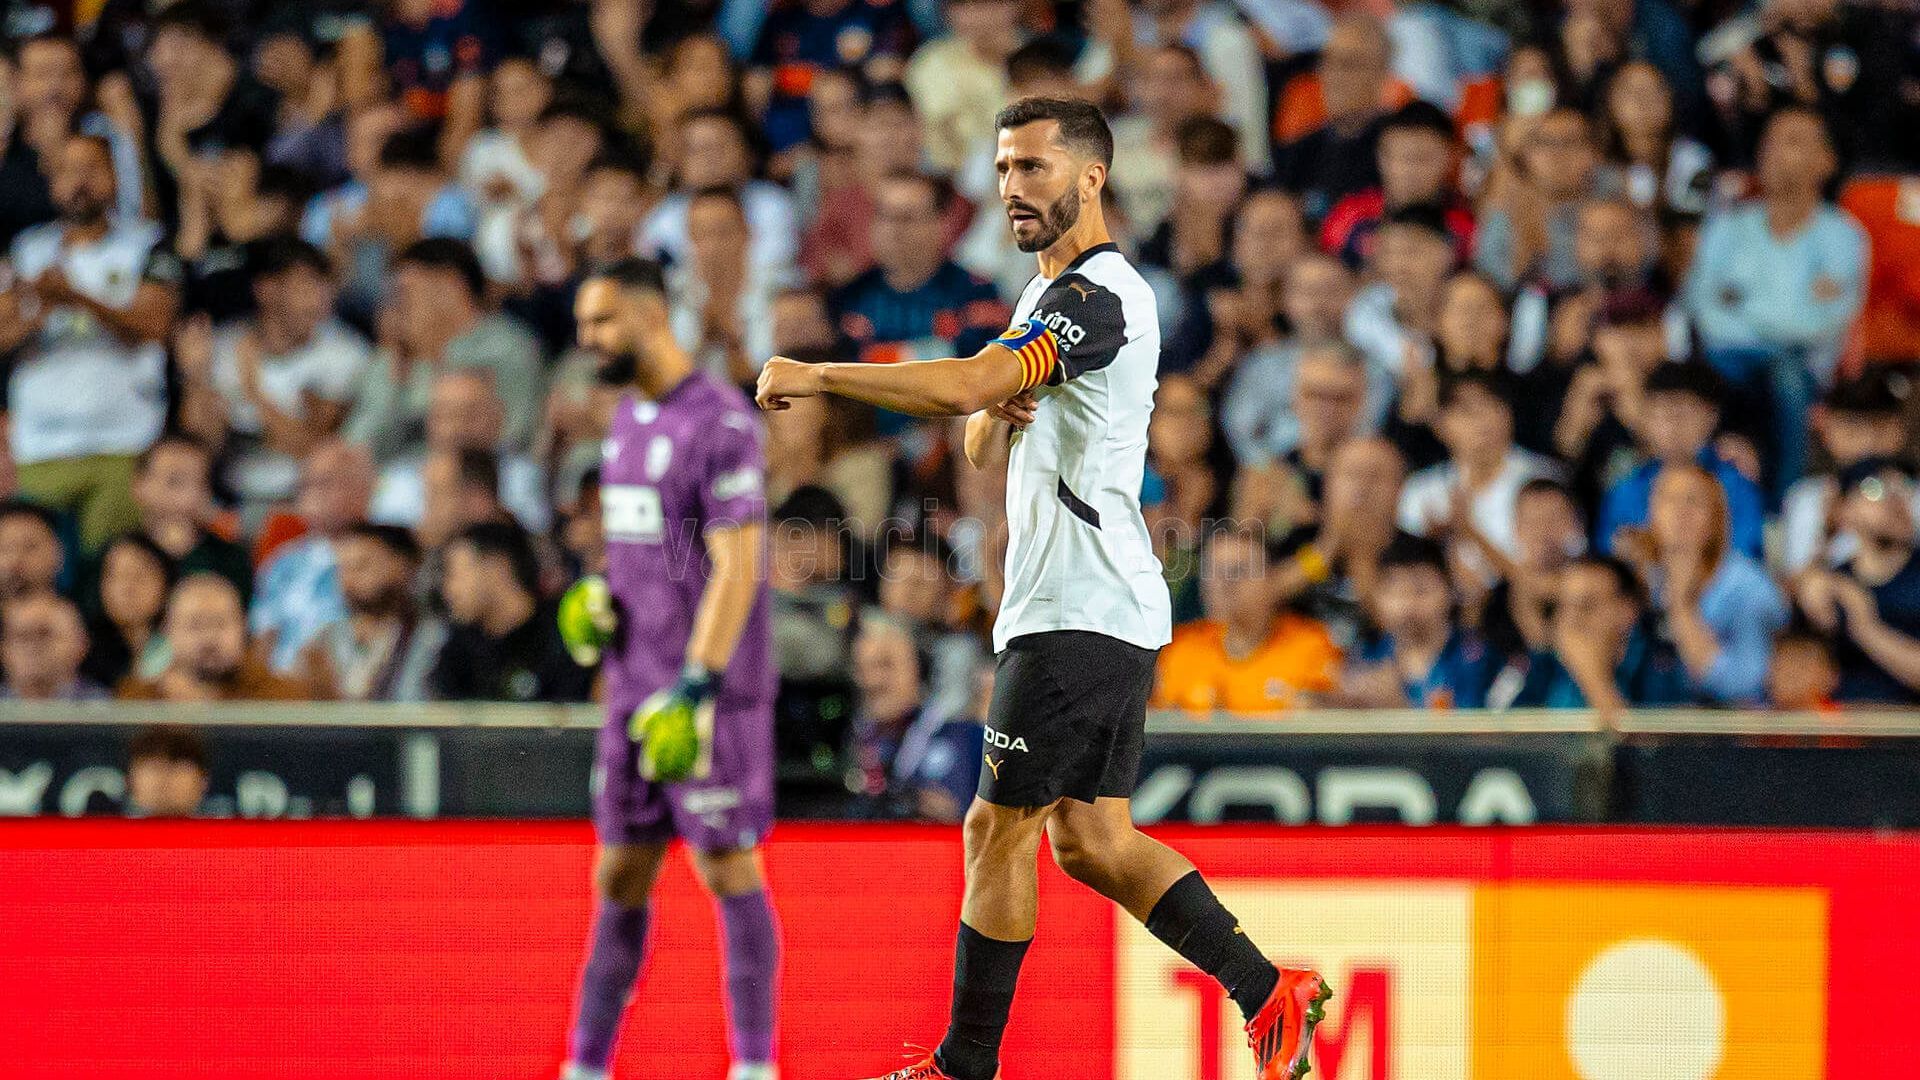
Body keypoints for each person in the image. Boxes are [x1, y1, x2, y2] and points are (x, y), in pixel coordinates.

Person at [753, 96, 1328, 1080]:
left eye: (1033, 168)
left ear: (1090, 178)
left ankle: (962, 1068)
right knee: (1093, 840)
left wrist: (824, 373)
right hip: (1092, 604)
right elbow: (984, 425)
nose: (1013, 188)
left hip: (1078, 605)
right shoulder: (1044, 298)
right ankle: (1268, 991)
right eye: (1005, 168)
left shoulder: (1099, 295)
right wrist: (994, 403)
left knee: (993, 826)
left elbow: (970, 393)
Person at [556, 257, 781, 1080]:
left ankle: (755, 1067)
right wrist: (603, 600)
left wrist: (698, 685)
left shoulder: (720, 422)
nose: (588, 340)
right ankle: (587, 1066)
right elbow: (645, 546)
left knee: (727, 864)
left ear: (652, 315)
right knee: (618, 869)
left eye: (602, 322)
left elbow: (739, 565)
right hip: (630, 687)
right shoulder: (626, 419)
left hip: (703, 693)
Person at [0, 132, 181, 550]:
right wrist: (40, 312)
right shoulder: (27, 248)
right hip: (40, 446)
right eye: (67, 171)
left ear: (116, 177)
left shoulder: (146, 242)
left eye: (91, 169)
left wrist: (75, 297)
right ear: (51, 181)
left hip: (123, 443)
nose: (79, 181)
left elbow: (155, 325)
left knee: (113, 575)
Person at [1686, 106, 1867, 493]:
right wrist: (1783, 309)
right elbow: (1705, 310)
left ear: (1827, 161)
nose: (1776, 152)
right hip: (1728, 361)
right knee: (1696, 382)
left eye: (1795, 142)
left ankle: (1784, 508)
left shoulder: (1842, 236)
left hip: (1806, 372)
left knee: (1785, 376)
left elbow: (1820, 322)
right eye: (1770, 141)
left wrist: (1742, 302)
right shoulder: (1728, 228)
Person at [343, 238, 545, 464]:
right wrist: (396, 379)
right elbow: (355, 450)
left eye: (405, 292)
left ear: (450, 287)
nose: (395, 307)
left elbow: (512, 437)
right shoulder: (390, 360)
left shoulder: (506, 349)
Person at [1620, 464, 1788, 705]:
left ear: (1716, 518)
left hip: (1726, 729)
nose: (1681, 511)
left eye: (1694, 501)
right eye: (1669, 499)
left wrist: (1680, 607)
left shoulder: (1748, 586)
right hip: (1646, 723)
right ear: (1651, 512)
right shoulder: (1637, 577)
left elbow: (1744, 684)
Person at [1153, 526, 1341, 713]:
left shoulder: (1311, 647)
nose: (1220, 584)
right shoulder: (1180, 649)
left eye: (1236, 572)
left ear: (1271, 578)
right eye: (1211, 572)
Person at [1398, 369, 1562, 585]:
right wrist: (1431, 544)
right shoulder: (1420, 490)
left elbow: (1543, 583)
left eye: (1493, 406)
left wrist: (1467, 530)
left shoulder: (1545, 481)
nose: (1484, 420)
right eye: (1467, 411)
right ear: (1440, 425)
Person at [1795, 461, 1920, 704]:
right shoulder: (1829, 582)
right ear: (1843, 508)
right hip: (1841, 732)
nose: (1894, 499)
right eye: (1876, 489)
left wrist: (1865, 628)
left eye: (1903, 487)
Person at [845, 613, 987, 824]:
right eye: (862, 669)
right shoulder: (849, 742)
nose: (871, 681)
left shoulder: (969, 739)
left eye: (885, 665)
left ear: (921, 669)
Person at [251, 439, 376, 673]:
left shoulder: (380, 563)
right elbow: (262, 642)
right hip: (282, 695)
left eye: (326, 482)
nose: (312, 493)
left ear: (363, 490)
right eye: (306, 483)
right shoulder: (280, 563)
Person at [430, 521, 588, 703]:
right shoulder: (459, 648)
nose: (448, 590)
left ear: (497, 566)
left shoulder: (562, 635)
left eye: (455, 574)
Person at [1339, 535, 1501, 708]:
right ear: (1377, 597)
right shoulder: (1365, 657)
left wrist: (1399, 708)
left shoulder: (1477, 660)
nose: (1407, 604)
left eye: (1421, 590)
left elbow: (1476, 731)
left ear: (1450, 591)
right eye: (1396, 592)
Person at [1512, 554, 1690, 711]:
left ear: (1626, 610)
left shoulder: (1661, 666)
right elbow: (1507, 738)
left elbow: (1654, 746)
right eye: (1564, 606)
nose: (1572, 621)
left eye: (1586, 605)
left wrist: (1593, 679)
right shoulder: (1548, 661)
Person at [1780, 369, 1917, 574]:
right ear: (1827, 428)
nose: (1867, 441)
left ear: (1897, 429)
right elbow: (1797, 582)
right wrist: (1830, 527)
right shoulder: (1809, 496)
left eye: (1879, 427)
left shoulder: (1912, 494)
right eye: (1852, 427)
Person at [294, 523, 446, 702]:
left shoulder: (434, 638)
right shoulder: (323, 639)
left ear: (403, 566)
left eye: (361, 566)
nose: (348, 580)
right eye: (343, 569)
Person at [119, 574, 310, 701]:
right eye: (195, 625)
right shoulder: (139, 701)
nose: (209, 638)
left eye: (220, 624)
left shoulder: (282, 698)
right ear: (168, 631)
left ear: (243, 628)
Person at [122, 432, 252, 601]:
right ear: (139, 485)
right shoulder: (115, 555)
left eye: (201, 483)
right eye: (175, 482)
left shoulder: (232, 560)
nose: (190, 496)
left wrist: (187, 554)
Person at [81, 533, 176, 689]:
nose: (127, 588)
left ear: (166, 583)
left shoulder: (180, 648)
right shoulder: (84, 650)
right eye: (116, 576)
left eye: (139, 576)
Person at [0, 592, 106, 700]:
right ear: (4, 649)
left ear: (81, 644)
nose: (32, 647)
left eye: (44, 635)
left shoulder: (105, 709)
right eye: (22, 637)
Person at [123, 724, 211, 818]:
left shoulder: (221, 831)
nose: (164, 777)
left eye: (176, 765)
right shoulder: (110, 831)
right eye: (154, 767)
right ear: (129, 781)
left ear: (203, 781)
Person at [0, 499, 64, 606]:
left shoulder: (84, 614)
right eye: (6, 548)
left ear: (57, 551)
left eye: (29, 546)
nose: (15, 559)